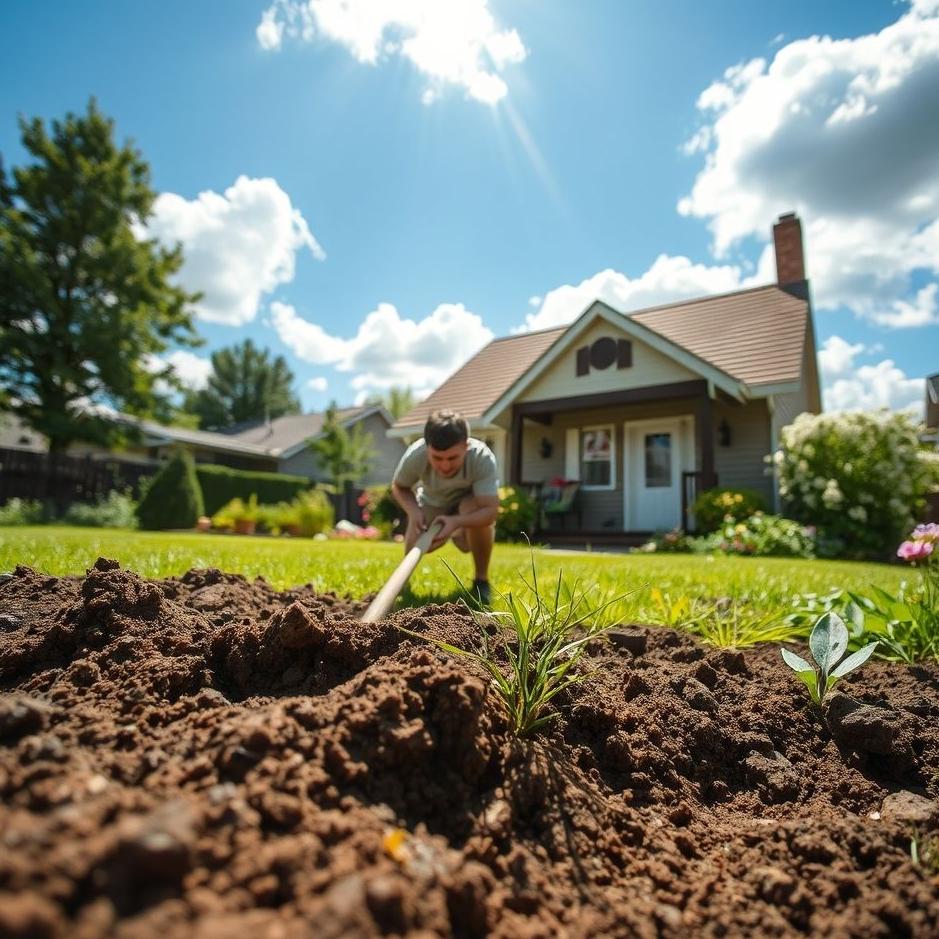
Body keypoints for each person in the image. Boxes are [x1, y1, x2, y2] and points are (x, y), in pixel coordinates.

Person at [391, 409, 499, 605]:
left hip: (468, 505)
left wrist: (456, 522)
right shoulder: (417, 454)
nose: (445, 466)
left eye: (452, 458)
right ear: (427, 447)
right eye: (437, 458)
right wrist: (414, 512)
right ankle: (401, 586)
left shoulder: (481, 457)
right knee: (416, 532)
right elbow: (400, 487)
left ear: (466, 446)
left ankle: (481, 581)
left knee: (471, 515)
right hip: (432, 503)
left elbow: (490, 511)